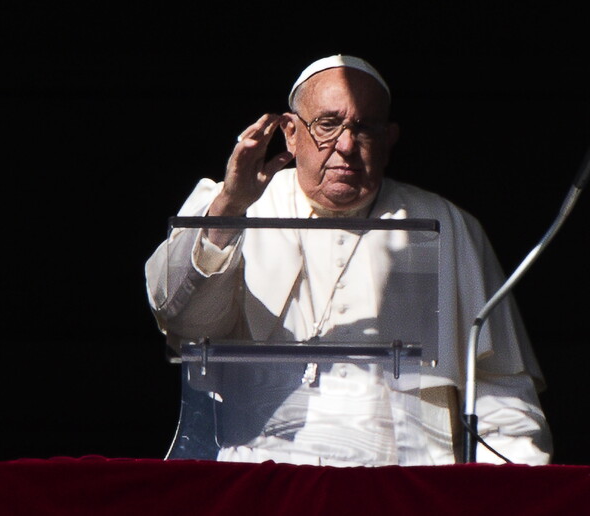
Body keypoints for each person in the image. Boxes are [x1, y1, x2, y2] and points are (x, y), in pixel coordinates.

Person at [145, 55, 552, 466]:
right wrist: (230, 208)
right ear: (290, 132)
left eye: (365, 129)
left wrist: (512, 485)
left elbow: (500, 390)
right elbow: (183, 320)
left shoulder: (445, 225)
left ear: (390, 139)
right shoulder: (226, 207)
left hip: (403, 484)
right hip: (261, 480)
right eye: (327, 124)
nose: (345, 146)